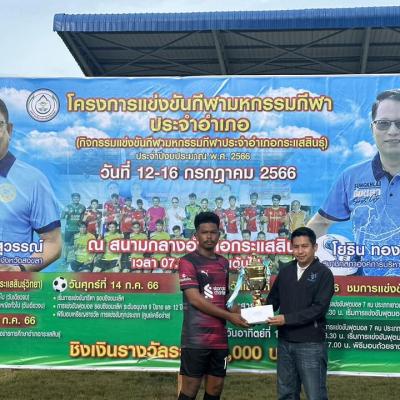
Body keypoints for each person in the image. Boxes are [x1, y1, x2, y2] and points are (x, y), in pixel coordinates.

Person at [307, 88, 400, 276]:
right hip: (364, 291)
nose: (392, 131)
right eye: (383, 124)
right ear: (372, 129)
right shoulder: (351, 177)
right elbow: (320, 223)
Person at [177, 212, 249, 400]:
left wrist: (245, 314)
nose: (209, 237)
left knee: (215, 389)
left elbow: (225, 297)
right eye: (204, 232)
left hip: (219, 338)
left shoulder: (223, 262)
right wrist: (230, 317)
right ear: (196, 235)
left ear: (219, 234)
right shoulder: (187, 261)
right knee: (190, 389)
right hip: (196, 339)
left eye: (213, 232)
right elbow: (195, 299)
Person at [266, 227, 334, 400]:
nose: (300, 251)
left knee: (315, 395)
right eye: (296, 247)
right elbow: (273, 300)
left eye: (305, 246)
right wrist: (257, 311)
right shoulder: (285, 271)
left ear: (315, 247)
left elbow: (319, 309)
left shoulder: (324, 274)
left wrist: (286, 319)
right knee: (286, 394)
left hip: (311, 344)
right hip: (284, 342)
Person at [0, 98, 61, 271]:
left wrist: (20, 269)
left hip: (8, 287)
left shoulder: (33, 180)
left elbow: (53, 243)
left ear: (9, 130)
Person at [62, 192, 86, 262]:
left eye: (77, 198)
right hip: (69, 229)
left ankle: (76, 258)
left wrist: (81, 226)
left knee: (77, 244)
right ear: (72, 199)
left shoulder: (82, 207)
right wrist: (65, 212)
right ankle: (65, 259)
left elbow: (82, 218)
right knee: (66, 244)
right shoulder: (67, 207)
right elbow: (62, 217)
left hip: (78, 229)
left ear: (79, 199)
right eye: (74, 198)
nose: (76, 199)